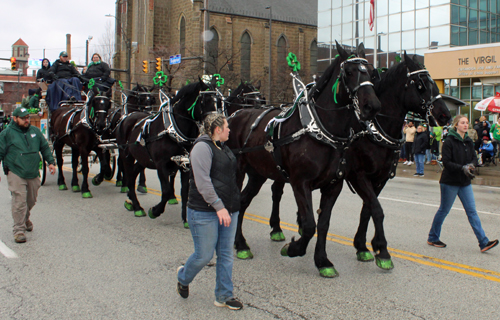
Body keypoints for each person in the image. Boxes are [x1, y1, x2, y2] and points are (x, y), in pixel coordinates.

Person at [177, 113, 243, 310]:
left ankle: (224, 295)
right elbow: (203, 182)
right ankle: (183, 276)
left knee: (225, 254)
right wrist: (219, 206)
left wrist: (231, 205)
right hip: (204, 212)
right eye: (227, 127)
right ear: (217, 130)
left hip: (229, 210)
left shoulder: (222, 147)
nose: (229, 130)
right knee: (204, 256)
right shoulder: (201, 148)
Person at [427, 115, 498, 252]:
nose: (466, 125)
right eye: (462, 123)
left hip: (465, 182)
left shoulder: (468, 141)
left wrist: (471, 165)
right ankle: (432, 237)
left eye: (467, 123)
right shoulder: (449, 141)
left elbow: (474, 157)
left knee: (472, 212)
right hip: (450, 182)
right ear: (456, 125)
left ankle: (483, 242)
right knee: (444, 210)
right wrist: (462, 168)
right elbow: (446, 162)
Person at [0, 107, 56, 243]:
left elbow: (44, 147)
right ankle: (19, 230)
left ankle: (24, 219)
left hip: (32, 171)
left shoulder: (35, 131)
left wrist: (50, 162)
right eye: (23, 118)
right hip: (15, 171)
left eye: (28, 117)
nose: (27, 120)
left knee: (31, 200)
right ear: (15, 118)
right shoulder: (6, 134)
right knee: (19, 200)